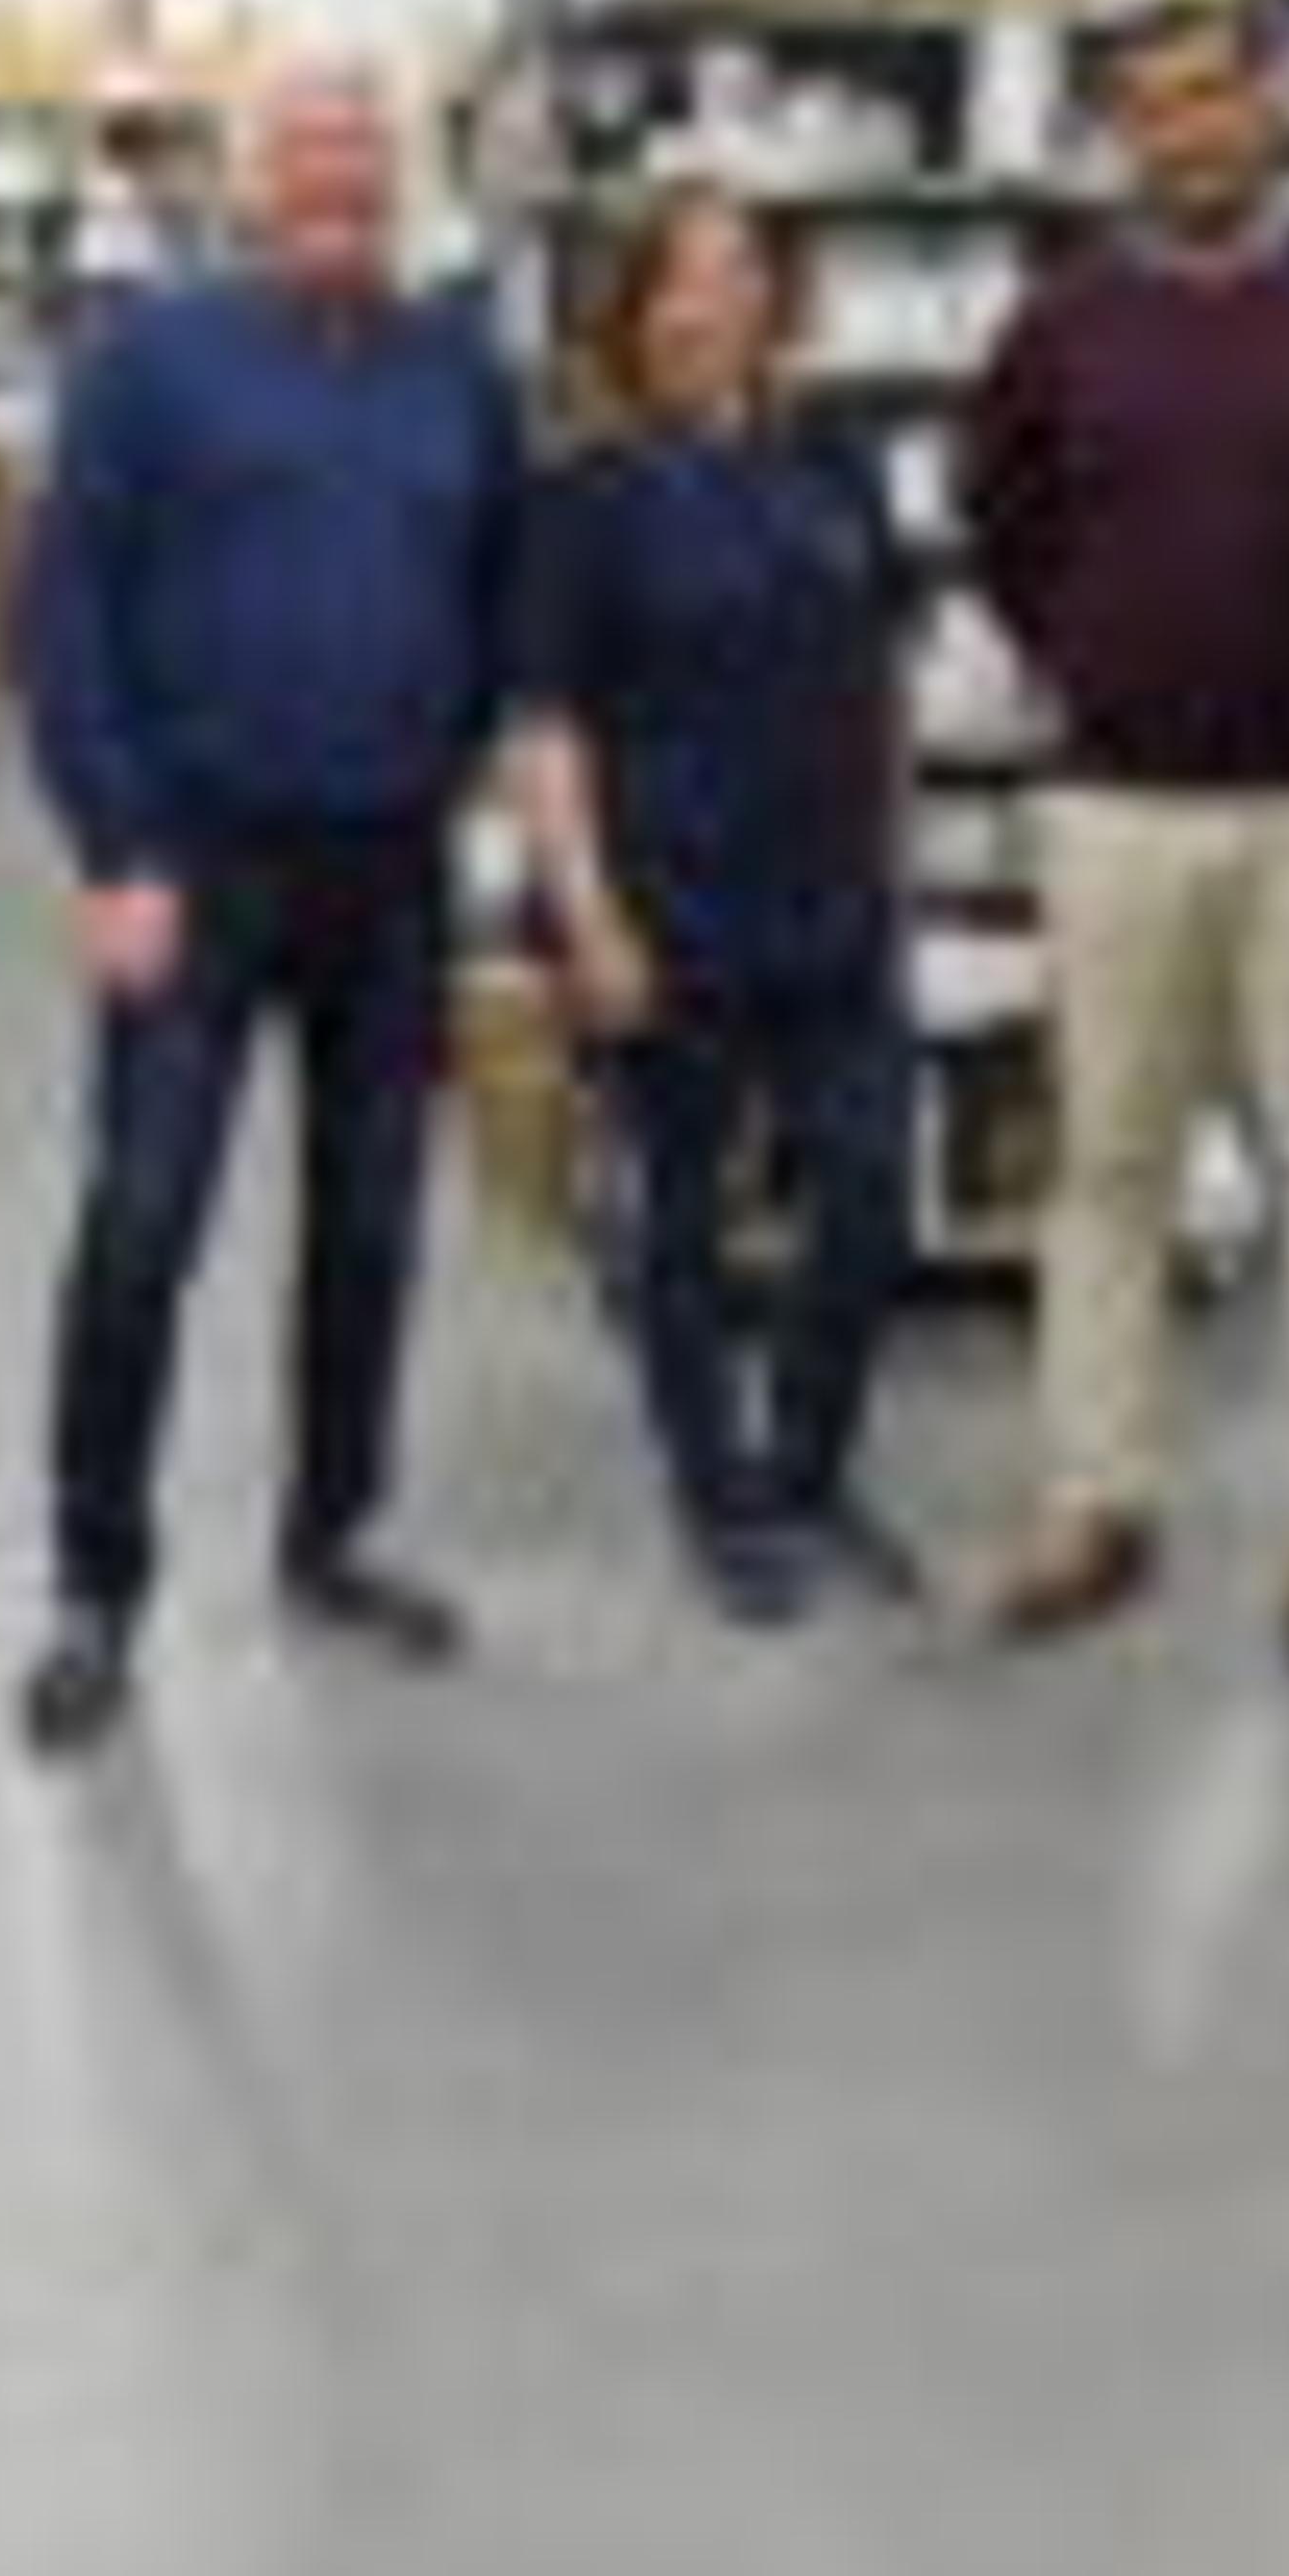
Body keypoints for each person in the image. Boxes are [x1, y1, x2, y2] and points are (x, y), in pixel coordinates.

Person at [10, 65, 525, 1759]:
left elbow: (499, 594)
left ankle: (333, 1533)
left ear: (402, 187)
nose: (337, 187)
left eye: (364, 161)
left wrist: (454, 767)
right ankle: (95, 1587)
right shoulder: (151, 366)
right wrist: (115, 853)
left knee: (370, 1226)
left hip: (387, 871)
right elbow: (61, 616)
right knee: (143, 1223)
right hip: (196, 868)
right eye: (306, 158)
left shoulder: (460, 373)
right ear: (250, 188)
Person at [957, 7, 1289, 1663]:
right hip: (1115, 808)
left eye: (1214, 96)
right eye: (1153, 108)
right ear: (1122, 138)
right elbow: (1000, 525)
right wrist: (1095, 657)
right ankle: (1098, 1502)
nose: (1190, 131)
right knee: (1107, 1167)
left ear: (1267, 112)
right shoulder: (1060, 324)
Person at [509, 185, 918, 1623]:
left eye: (739, 272)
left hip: (834, 907)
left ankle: (807, 1466)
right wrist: (591, 920)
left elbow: (881, 669)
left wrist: (895, 855)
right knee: (684, 1219)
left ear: (772, 299)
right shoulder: (586, 493)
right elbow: (545, 726)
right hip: (669, 911)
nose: (712, 303)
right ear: (635, 313)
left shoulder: (836, 458)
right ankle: (715, 1490)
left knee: (869, 1192)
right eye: (680, 279)